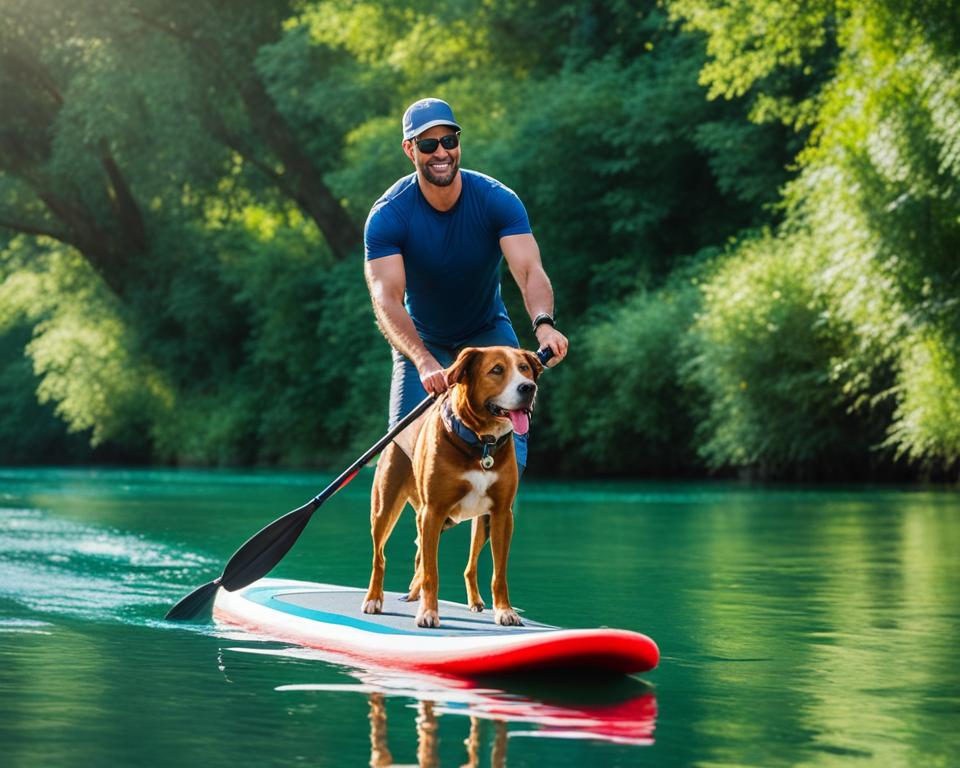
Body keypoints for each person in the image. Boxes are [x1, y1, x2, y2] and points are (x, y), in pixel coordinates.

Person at [363, 97, 568, 471]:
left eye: (449, 140)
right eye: (428, 144)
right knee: (402, 462)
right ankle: (426, 528)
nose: (441, 152)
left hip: (487, 333)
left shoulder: (496, 200)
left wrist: (544, 323)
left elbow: (528, 269)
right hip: (424, 342)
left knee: (507, 461)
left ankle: (487, 524)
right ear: (410, 150)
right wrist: (424, 362)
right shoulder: (389, 215)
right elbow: (387, 299)